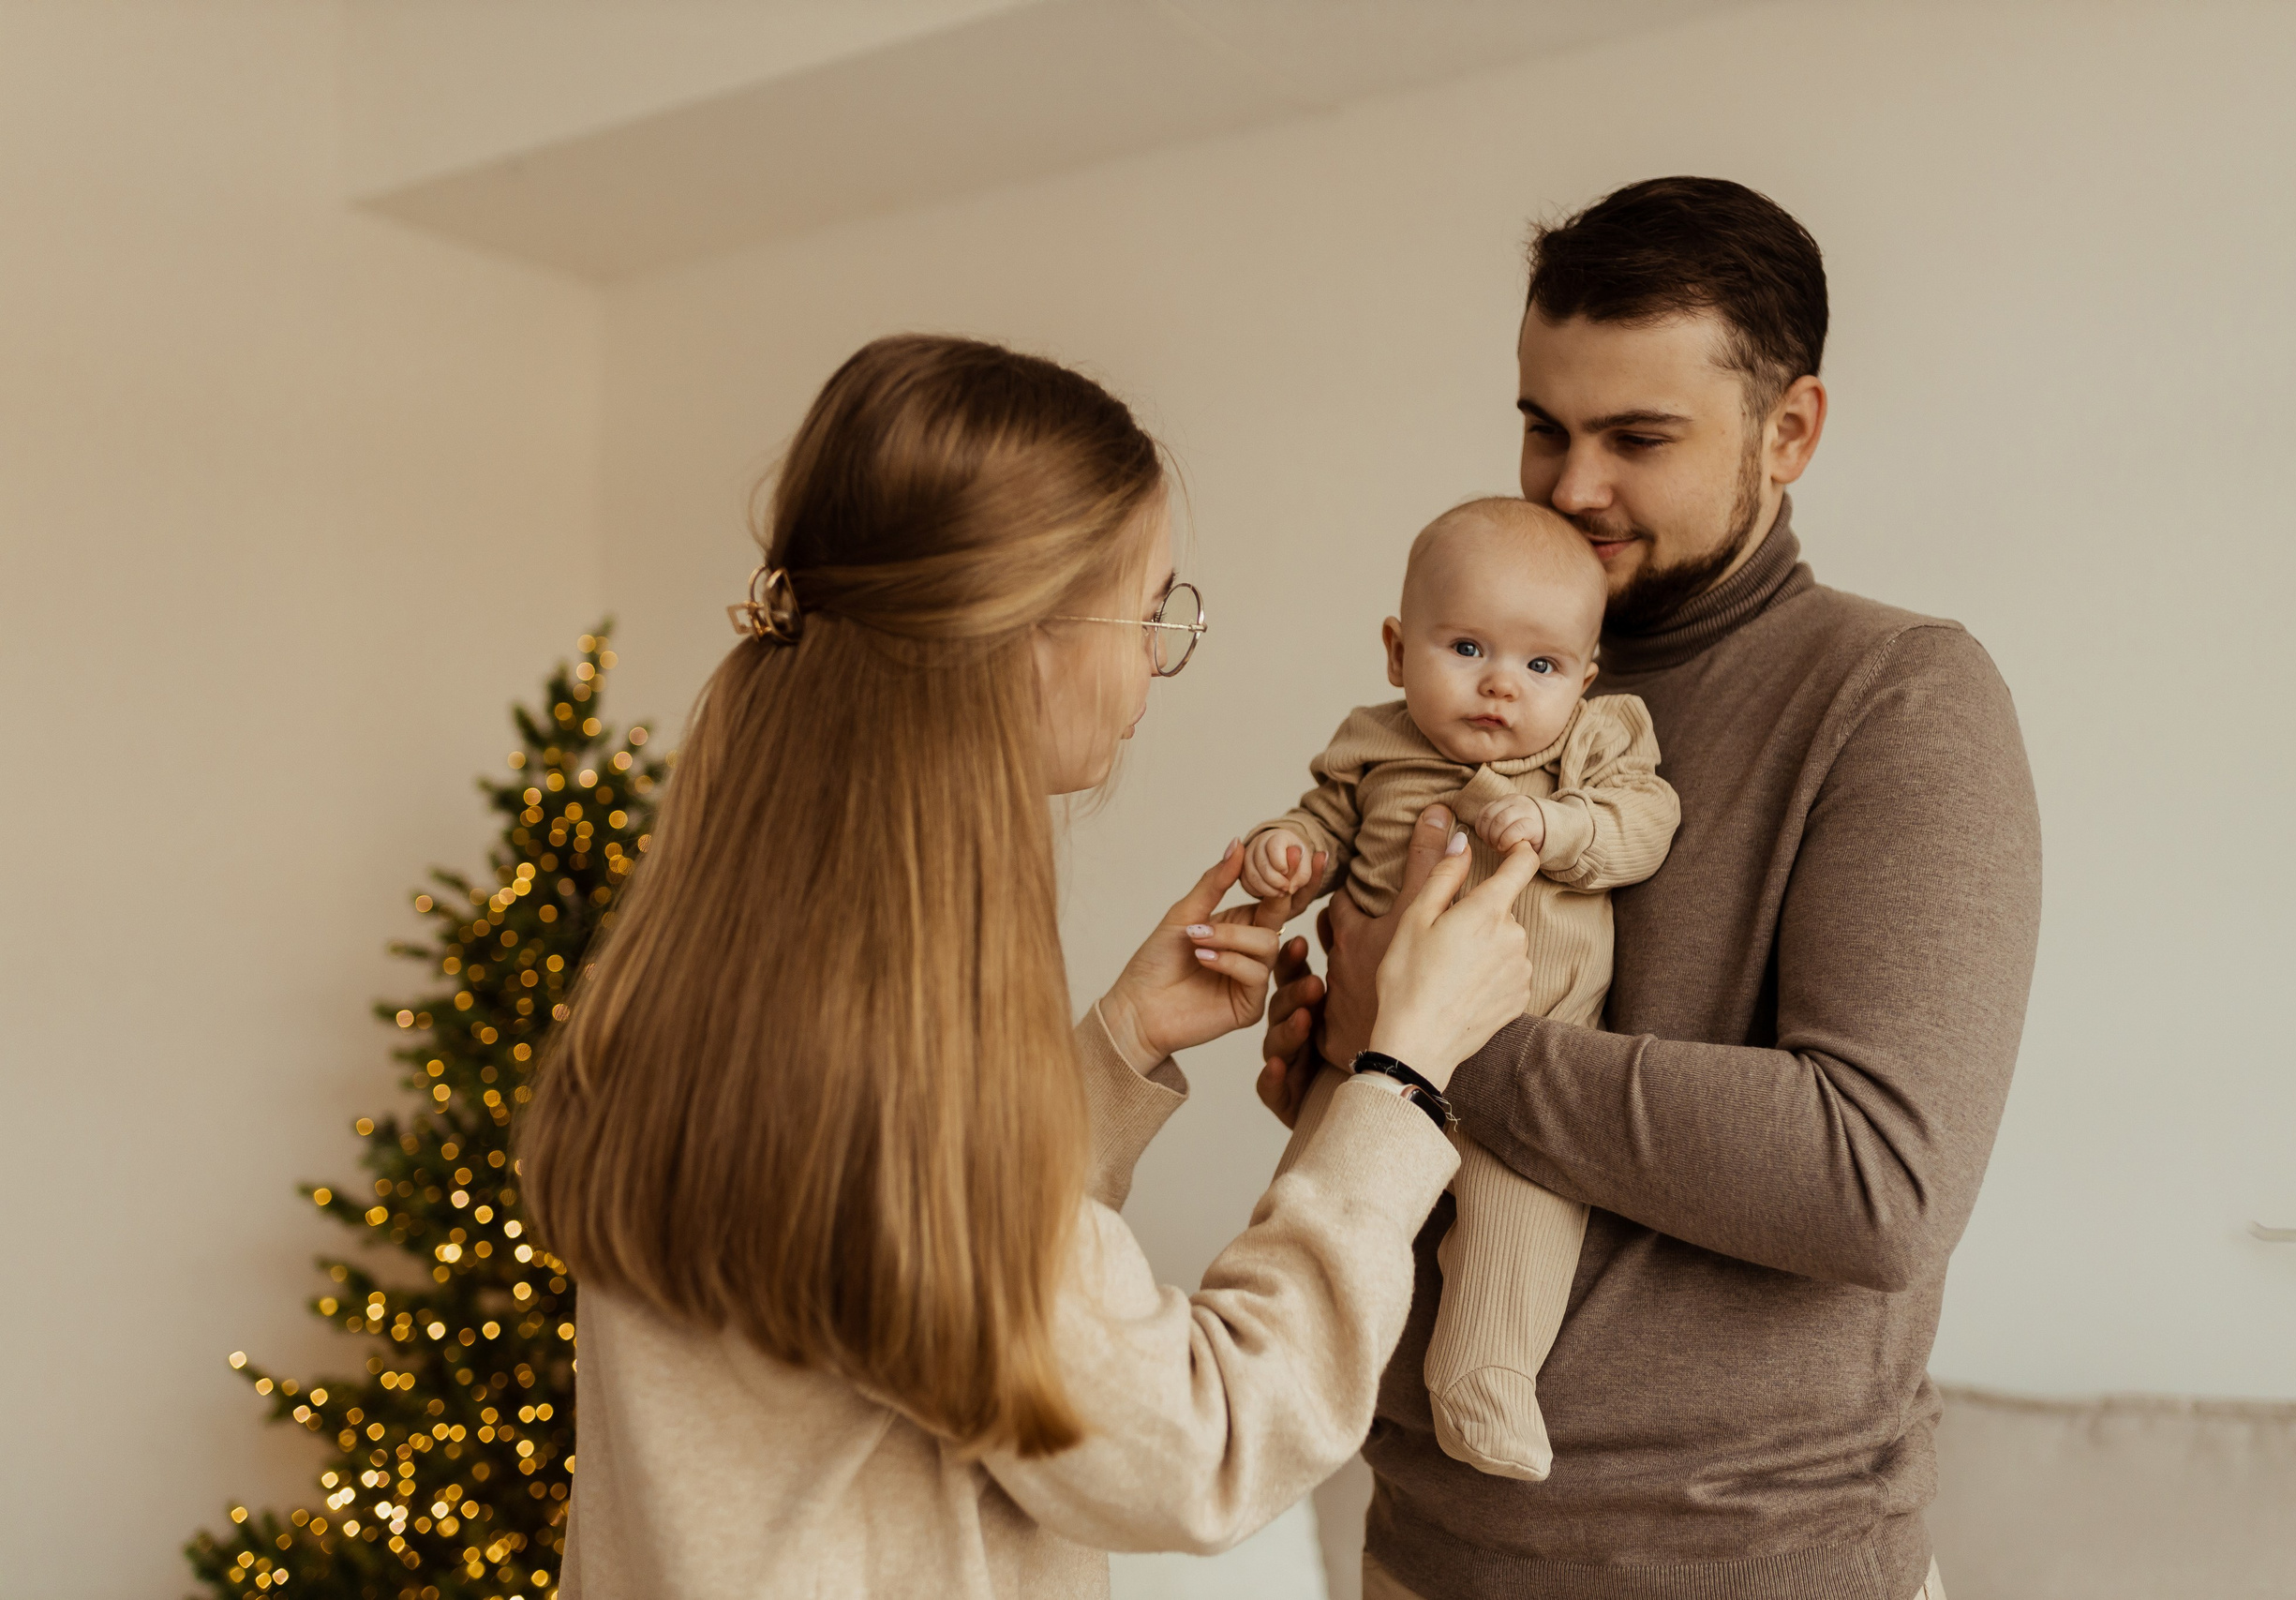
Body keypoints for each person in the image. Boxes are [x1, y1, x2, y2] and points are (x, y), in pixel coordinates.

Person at [517, 334, 1544, 1599]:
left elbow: (930, 1290)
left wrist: (1115, 1048)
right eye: (1151, 608)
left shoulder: (732, 978)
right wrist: (1402, 1070)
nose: (1155, 655)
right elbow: (1210, 1437)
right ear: (1032, 637)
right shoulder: (883, 1065)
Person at [1260, 178, 2041, 1600]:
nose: (1570, 488)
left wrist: (1432, 1041)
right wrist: (1348, 1071)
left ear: (1788, 430)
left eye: (1636, 438)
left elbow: (1876, 1182)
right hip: (1418, 1548)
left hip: (1745, 1567)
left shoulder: (1899, 695)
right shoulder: (1479, 675)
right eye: (1543, 426)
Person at [1242, 495, 1677, 1482]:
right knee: (1316, 1196)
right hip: (1369, 1057)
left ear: (1585, 677)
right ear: (1398, 651)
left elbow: (1646, 823)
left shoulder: (1593, 742)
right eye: (1467, 648)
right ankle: (1282, 1368)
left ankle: (1485, 1378)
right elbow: (1322, 823)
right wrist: (1288, 852)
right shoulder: (1374, 743)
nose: (1500, 685)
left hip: (1528, 1063)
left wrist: (1559, 827)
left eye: (1541, 665)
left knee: (1518, 1224)